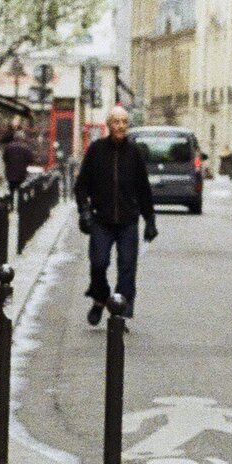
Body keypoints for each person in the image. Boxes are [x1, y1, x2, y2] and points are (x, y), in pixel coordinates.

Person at [74, 104, 157, 324]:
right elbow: (81, 185)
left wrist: (150, 219)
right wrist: (84, 210)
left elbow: (143, 188)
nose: (121, 126)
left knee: (127, 267)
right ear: (109, 125)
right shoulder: (96, 150)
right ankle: (100, 298)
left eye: (124, 123)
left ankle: (120, 312)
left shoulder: (134, 153)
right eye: (116, 122)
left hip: (128, 220)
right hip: (102, 219)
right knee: (98, 263)